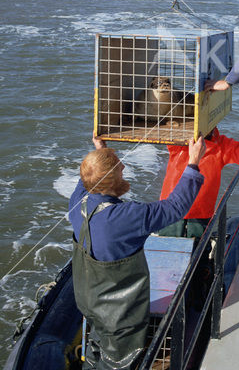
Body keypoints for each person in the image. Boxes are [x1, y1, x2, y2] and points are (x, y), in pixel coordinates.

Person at [69, 135, 206, 370]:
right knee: (118, 361)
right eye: (119, 171)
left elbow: (87, 180)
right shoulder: (124, 218)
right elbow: (174, 207)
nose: (123, 169)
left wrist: (101, 151)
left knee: (97, 345)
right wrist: (193, 162)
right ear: (111, 182)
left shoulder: (77, 203)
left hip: (89, 303)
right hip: (121, 317)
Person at [158, 127, 239, 239]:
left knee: (199, 246)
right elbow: (164, 130)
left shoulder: (221, 145)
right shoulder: (180, 141)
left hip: (201, 211)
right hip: (171, 206)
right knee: (167, 243)